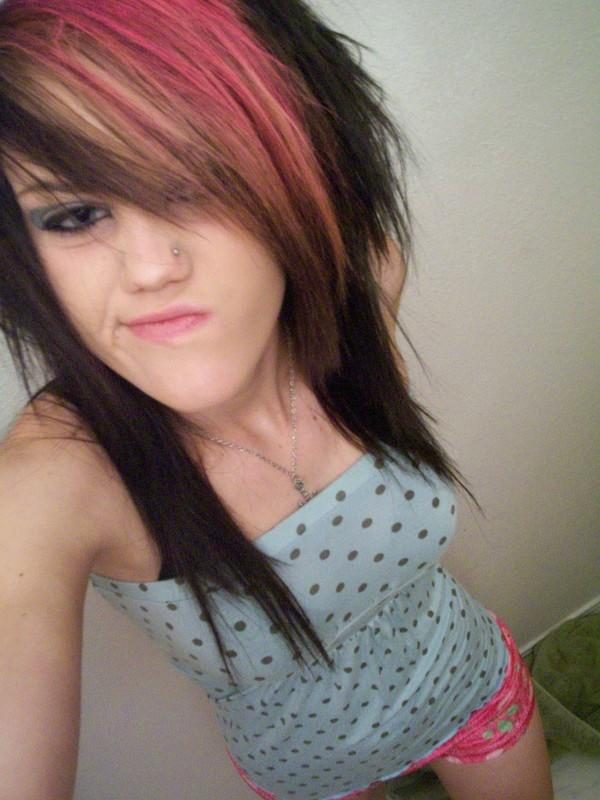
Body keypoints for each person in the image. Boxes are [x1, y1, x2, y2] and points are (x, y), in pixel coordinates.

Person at [0, 2, 554, 799]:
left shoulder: (363, 282)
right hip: (309, 771)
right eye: (75, 214)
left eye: (202, 178)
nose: (150, 267)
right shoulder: (58, 474)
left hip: (468, 689)